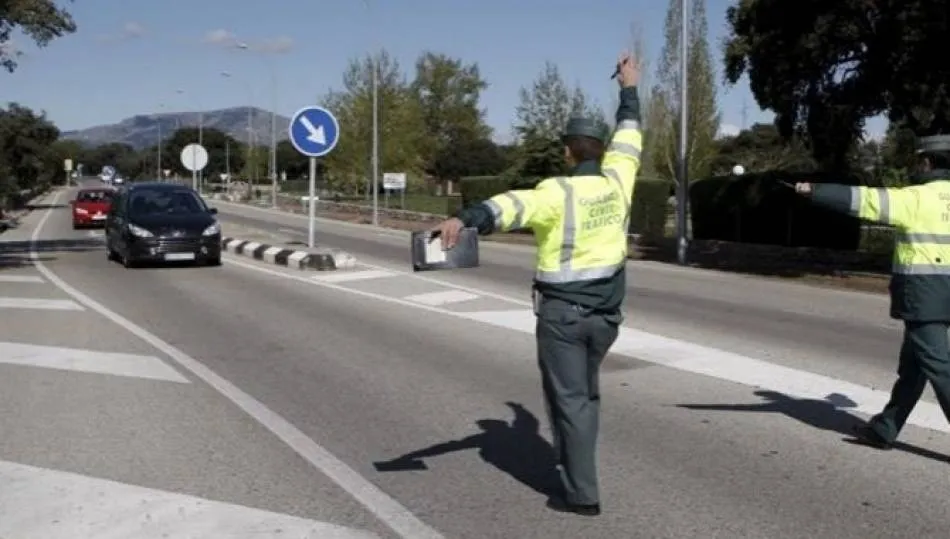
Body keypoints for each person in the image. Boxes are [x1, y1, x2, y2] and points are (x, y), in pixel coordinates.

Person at [431, 51, 643, 515]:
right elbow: (631, 129)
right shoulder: (619, 180)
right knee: (584, 396)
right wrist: (628, 86)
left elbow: (505, 207)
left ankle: (582, 494)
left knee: (571, 400)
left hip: (563, 318)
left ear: (568, 152)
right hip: (607, 319)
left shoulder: (555, 193)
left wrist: (463, 218)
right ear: (602, 150)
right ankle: (573, 464)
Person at [793, 134, 950, 449]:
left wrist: (815, 190)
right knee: (913, 368)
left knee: (939, 366)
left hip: (924, 296)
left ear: (926, 162)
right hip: (943, 295)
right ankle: (884, 429)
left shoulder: (916, 198)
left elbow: (863, 199)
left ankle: (885, 428)